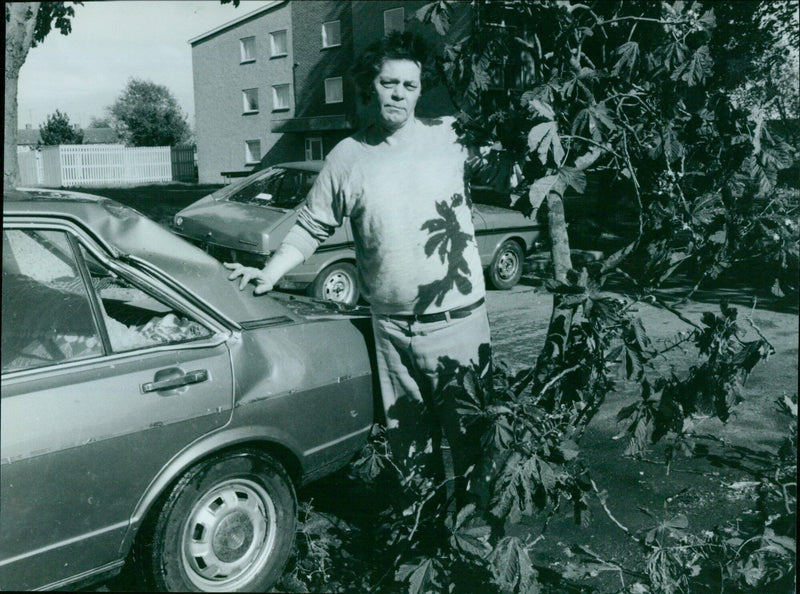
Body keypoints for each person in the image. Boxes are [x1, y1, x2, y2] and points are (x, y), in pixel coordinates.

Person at [225, 32, 491, 505]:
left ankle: (477, 549)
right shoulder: (348, 156)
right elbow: (311, 224)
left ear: (420, 89)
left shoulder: (450, 136)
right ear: (372, 85)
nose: (399, 94)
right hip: (392, 333)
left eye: (410, 86)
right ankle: (425, 548)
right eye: (389, 83)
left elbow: (507, 155)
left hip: (459, 327)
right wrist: (270, 271)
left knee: (476, 448)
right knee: (410, 455)